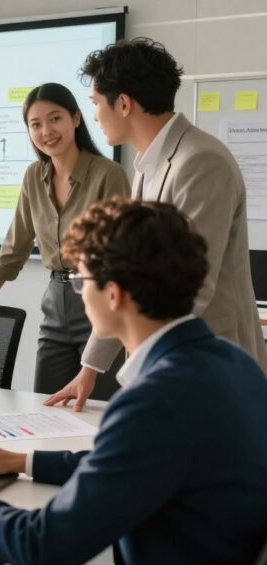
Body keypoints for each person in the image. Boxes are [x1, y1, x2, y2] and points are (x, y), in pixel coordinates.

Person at [0, 199, 267, 565]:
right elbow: (127, 462)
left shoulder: (155, 400)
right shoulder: (232, 362)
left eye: (80, 280)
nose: (78, 293)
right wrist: (21, 461)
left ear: (115, 293)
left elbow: (41, 547)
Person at [49, 37, 267, 411]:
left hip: (210, 367)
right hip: (178, 366)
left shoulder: (200, 162)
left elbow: (190, 287)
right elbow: (133, 274)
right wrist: (90, 368)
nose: (95, 116)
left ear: (123, 103)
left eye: (96, 104)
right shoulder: (151, 163)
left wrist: (146, 375)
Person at [0, 83, 129, 397]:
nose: (46, 130)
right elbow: (13, 251)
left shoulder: (108, 174)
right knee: (45, 404)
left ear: (76, 119)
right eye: (35, 124)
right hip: (54, 303)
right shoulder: (33, 177)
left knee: (97, 411)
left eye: (55, 119)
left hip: (99, 302)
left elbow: (122, 258)